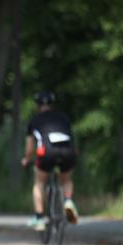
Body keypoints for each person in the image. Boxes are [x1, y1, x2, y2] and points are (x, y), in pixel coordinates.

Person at [21, 90, 78, 230]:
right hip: (67, 151)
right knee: (66, 180)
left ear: (37, 106)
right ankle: (68, 201)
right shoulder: (63, 117)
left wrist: (27, 159)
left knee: (39, 182)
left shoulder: (34, 121)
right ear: (52, 105)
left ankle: (39, 218)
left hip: (47, 152)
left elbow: (29, 147)